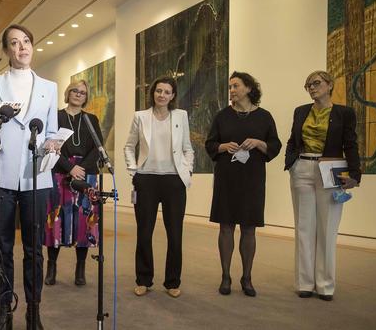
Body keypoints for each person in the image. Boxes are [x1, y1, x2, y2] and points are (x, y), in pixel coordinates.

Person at [0, 24, 57, 330]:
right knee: (2, 247)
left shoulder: (49, 86)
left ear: (33, 46)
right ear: (6, 51)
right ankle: (4, 310)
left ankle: (34, 311)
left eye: (26, 41)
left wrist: (53, 141)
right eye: (14, 43)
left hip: (36, 175)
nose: (22, 47)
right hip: (0, 175)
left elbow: (52, 129)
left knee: (35, 249)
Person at [285, 70, 360, 301]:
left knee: (327, 229)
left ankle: (326, 285)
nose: (311, 88)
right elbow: (292, 140)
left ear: (329, 85)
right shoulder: (300, 112)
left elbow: (351, 144)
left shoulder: (344, 113)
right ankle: (305, 283)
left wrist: (355, 174)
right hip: (302, 169)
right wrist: (291, 162)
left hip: (330, 170)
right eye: (308, 85)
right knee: (304, 228)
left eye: (316, 83)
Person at [205, 71, 281, 297]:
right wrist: (223, 146)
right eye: (230, 87)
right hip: (226, 178)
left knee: (249, 228)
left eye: (236, 86)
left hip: (252, 180)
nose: (231, 91)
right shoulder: (222, 116)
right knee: (226, 226)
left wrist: (258, 142)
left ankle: (247, 277)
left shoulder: (264, 117)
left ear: (249, 88)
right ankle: (225, 276)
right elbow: (210, 144)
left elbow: (274, 146)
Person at [123, 76, 194, 298]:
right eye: (158, 91)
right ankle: (143, 279)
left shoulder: (180, 116)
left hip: (174, 181)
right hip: (146, 180)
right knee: (144, 233)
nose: (161, 95)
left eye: (166, 92)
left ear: (173, 95)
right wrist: (134, 171)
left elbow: (187, 148)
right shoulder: (140, 117)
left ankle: (172, 282)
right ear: (152, 92)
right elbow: (128, 146)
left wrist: (187, 170)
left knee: (175, 234)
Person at [44, 80, 103, 287]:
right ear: (68, 93)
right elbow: (50, 146)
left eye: (83, 93)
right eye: (75, 91)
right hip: (60, 173)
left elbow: (98, 148)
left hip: (86, 176)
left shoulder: (91, 119)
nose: (78, 95)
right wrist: (70, 168)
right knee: (56, 222)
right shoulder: (56, 117)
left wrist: (81, 169)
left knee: (84, 222)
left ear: (86, 97)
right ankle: (51, 267)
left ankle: (80, 268)